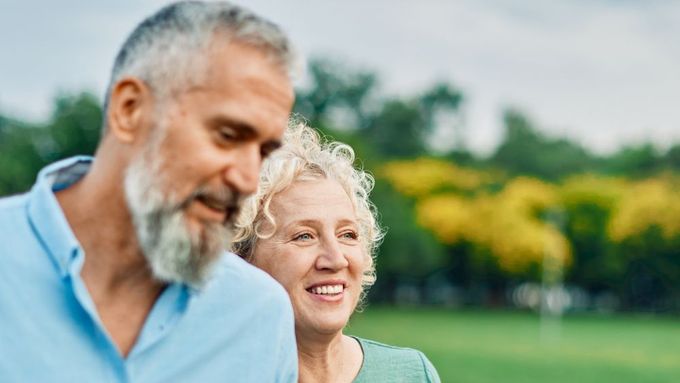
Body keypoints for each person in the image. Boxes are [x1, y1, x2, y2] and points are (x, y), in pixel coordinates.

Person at [0, 2, 299, 381]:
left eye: (263, 152)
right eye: (227, 136)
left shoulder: (259, 317)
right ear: (130, 109)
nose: (248, 180)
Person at [232, 120, 441, 383]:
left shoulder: (411, 374)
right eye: (304, 236)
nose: (336, 259)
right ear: (241, 259)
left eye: (347, 235)